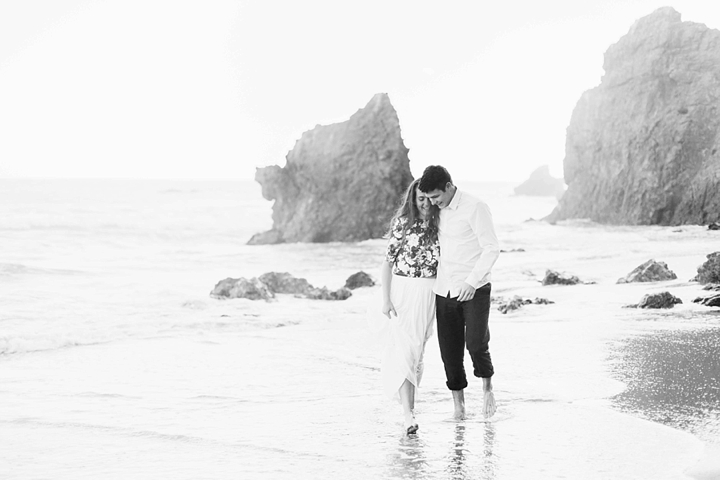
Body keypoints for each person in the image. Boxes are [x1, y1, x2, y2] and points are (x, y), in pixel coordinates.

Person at [418, 165, 500, 420]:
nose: (433, 202)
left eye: (436, 197)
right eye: (429, 198)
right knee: (449, 353)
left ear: (449, 186)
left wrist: (471, 282)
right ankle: (459, 406)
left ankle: (487, 389)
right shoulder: (437, 211)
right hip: (444, 290)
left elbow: (491, 248)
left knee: (476, 345)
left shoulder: (475, 207)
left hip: (475, 289)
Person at [380, 178, 440, 435]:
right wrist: (386, 299)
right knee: (406, 350)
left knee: (418, 353)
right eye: (420, 199)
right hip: (404, 291)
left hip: (431, 292)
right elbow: (387, 262)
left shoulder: (441, 224)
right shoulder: (402, 224)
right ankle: (408, 414)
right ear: (413, 200)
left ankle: (409, 405)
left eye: (429, 198)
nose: (426, 204)